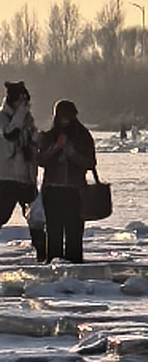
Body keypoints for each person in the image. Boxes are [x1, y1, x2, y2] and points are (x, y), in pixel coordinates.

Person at [35, 99, 97, 263]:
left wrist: (72, 154)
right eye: (61, 117)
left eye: (67, 117)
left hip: (74, 190)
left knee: (74, 233)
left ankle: (74, 267)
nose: (64, 121)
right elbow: (40, 160)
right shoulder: (50, 136)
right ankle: (54, 266)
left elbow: (90, 163)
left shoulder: (83, 136)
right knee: (53, 232)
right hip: (53, 190)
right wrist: (55, 148)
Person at [0, 81, 38, 226]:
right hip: (6, 179)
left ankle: (42, 248)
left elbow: (34, 138)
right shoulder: (2, 118)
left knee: (36, 218)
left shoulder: (27, 119)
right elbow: (10, 134)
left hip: (26, 177)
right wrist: (21, 113)